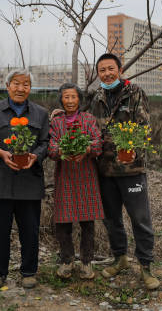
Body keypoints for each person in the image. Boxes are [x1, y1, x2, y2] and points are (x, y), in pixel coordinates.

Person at [87, 53, 160, 290]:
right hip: (105, 170)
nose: (107, 73)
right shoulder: (96, 97)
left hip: (131, 169)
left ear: (120, 70)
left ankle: (146, 266)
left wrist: (128, 149)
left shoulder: (135, 93)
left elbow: (143, 128)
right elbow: (86, 124)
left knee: (140, 218)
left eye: (111, 68)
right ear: (98, 74)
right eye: (102, 70)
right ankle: (120, 259)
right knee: (111, 219)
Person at [0, 69, 50, 290]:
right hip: (0, 181)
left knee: (30, 229)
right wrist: (0, 153)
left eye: (25, 84)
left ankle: (28, 272)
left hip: (29, 180)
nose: (21, 88)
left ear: (30, 87)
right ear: (7, 86)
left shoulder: (40, 113)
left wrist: (35, 155)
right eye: (16, 84)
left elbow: (46, 142)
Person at [47, 83, 103, 280]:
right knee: (63, 222)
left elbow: (98, 144)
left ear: (79, 99)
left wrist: (86, 150)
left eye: (73, 97)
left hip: (86, 177)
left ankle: (87, 262)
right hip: (66, 177)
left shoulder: (89, 120)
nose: (70, 101)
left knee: (88, 223)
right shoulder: (56, 122)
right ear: (61, 100)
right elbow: (51, 149)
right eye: (66, 97)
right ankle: (67, 260)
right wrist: (62, 151)